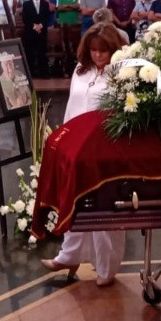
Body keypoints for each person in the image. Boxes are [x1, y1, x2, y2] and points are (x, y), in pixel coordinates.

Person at [41, 25, 128, 285]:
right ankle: (70, 255)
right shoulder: (81, 70)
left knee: (104, 207)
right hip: (77, 147)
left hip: (106, 150)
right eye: (93, 50)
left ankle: (106, 267)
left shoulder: (122, 73)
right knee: (74, 201)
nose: (98, 55)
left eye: (103, 51)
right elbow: (72, 106)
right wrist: (64, 138)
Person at [21, 0, 51, 78]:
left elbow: (47, 17)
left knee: (42, 53)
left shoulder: (45, 4)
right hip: (30, 32)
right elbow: (25, 19)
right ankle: (30, 74)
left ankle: (44, 73)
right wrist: (34, 26)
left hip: (42, 32)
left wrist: (40, 26)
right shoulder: (26, 4)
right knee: (30, 53)